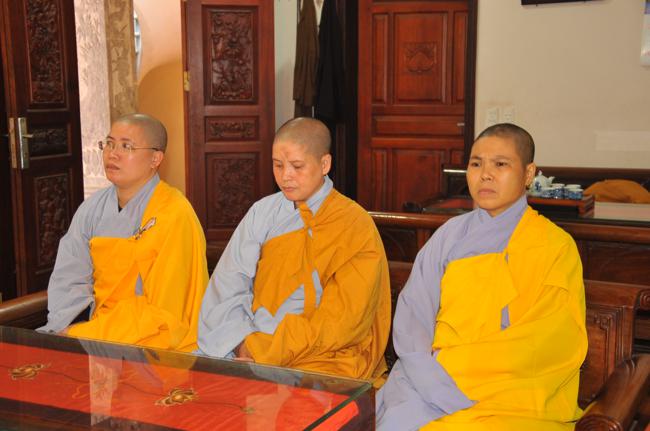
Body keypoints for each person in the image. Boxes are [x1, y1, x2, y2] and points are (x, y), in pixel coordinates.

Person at [376, 123, 588, 430]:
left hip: (512, 393)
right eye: (476, 164)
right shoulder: (448, 237)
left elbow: (550, 341)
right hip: (428, 380)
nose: (485, 175)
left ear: (528, 174)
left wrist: (456, 366)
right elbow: (413, 316)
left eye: (500, 164)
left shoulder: (554, 247)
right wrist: (428, 374)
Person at [197, 117, 391, 379]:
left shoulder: (354, 224)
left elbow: (344, 321)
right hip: (250, 342)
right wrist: (241, 341)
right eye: (278, 165)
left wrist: (268, 350)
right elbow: (228, 285)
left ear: (324, 164)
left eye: (297, 166)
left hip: (320, 357)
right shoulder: (262, 213)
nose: (285, 176)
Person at [40, 113, 209, 352]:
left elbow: (165, 313)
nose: (113, 154)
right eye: (109, 144)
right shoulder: (92, 210)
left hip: (153, 343)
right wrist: (67, 329)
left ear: (155, 158)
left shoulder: (175, 214)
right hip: (95, 332)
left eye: (126, 146)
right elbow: (69, 278)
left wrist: (86, 334)